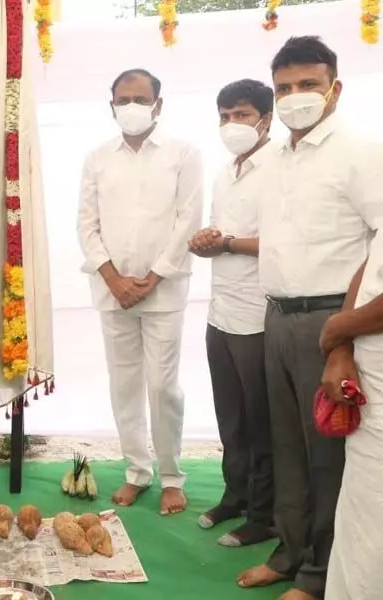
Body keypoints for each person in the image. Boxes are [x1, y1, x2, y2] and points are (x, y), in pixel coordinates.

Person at [236, 36, 381, 600]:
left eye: (308, 85)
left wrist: (343, 334)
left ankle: (320, 575)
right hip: (276, 317)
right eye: (285, 89)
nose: (296, 97)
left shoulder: (362, 153)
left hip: (331, 322)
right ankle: (291, 553)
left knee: (328, 455)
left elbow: (379, 244)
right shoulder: (274, 159)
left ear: (335, 88)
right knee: (287, 446)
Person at [76, 68, 203, 515]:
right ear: (111, 106)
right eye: (123, 100)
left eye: (140, 98)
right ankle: (137, 472)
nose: (132, 107)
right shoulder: (97, 157)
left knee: (162, 385)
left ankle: (171, 476)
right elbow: (86, 225)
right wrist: (113, 278)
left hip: (162, 292)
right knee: (124, 384)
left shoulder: (183, 153)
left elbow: (188, 220)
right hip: (112, 291)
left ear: (158, 104)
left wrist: (154, 277)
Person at [188, 79, 276, 548]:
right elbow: (223, 234)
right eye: (224, 115)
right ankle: (235, 496)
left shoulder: (281, 166)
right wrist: (206, 242)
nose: (231, 124)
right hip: (220, 310)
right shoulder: (226, 171)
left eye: (240, 115)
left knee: (262, 422)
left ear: (267, 117)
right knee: (231, 417)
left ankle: (264, 516)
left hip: (260, 315)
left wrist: (225, 243)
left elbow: (284, 239)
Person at [319, 144, 383, 600]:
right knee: (362, 513)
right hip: (368, 378)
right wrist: (340, 346)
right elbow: (371, 267)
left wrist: (341, 325)